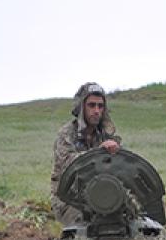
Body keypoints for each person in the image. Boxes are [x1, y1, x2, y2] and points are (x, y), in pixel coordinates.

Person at [51, 82, 122, 225]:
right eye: (91, 105)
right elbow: (68, 165)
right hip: (70, 198)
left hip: (100, 193)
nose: (96, 110)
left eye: (100, 106)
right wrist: (98, 153)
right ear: (81, 107)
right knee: (86, 227)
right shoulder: (67, 135)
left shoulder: (106, 135)